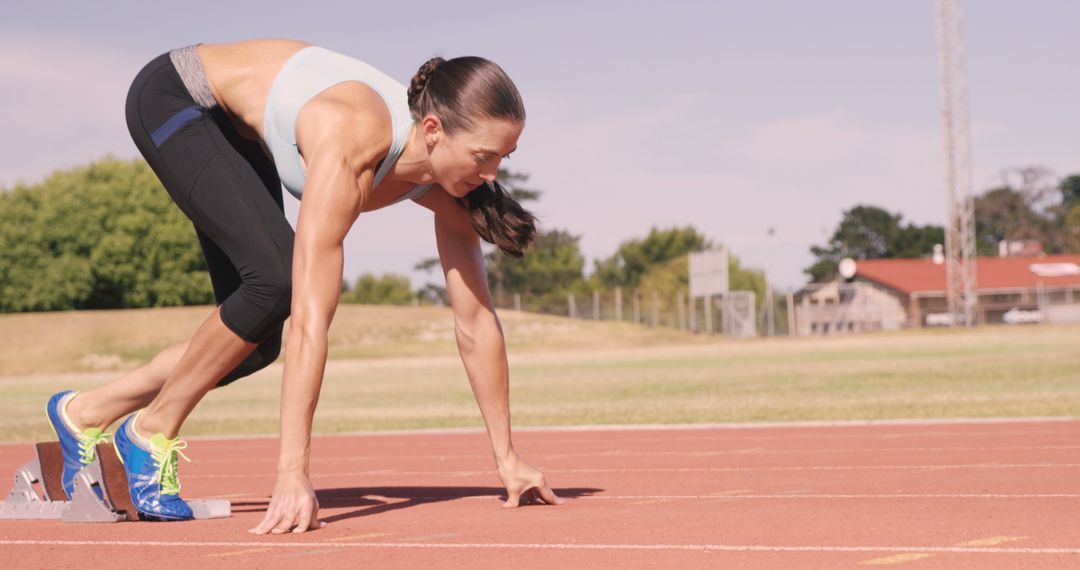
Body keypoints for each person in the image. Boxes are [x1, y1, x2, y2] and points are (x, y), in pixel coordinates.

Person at [44, 38, 563, 533]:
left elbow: (475, 323)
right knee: (276, 281)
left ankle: (85, 412)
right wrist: (292, 472)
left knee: (255, 339)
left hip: (240, 135)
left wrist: (507, 458)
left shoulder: (450, 190)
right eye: (483, 156)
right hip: (179, 97)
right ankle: (152, 430)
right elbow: (312, 322)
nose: (492, 175)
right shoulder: (352, 139)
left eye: (504, 157)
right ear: (432, 129)